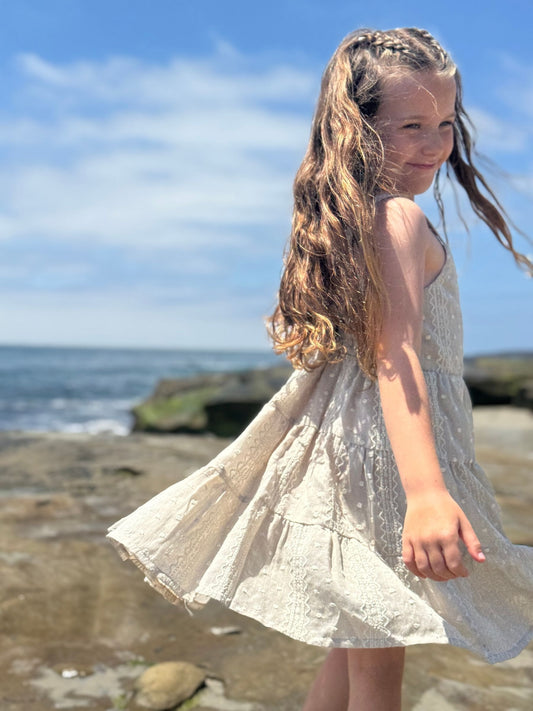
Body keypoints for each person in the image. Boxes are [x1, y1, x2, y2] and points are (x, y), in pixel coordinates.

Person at [107, 27, 533, 711]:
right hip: (390, 461)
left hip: (360, 447)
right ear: (358, 131)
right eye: (410, 126)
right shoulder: (394, 218)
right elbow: (396, 358)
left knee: (356, 636)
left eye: (445, 123)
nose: (433, 143)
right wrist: (426, 492)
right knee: (376, 665)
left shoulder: (356, 217)